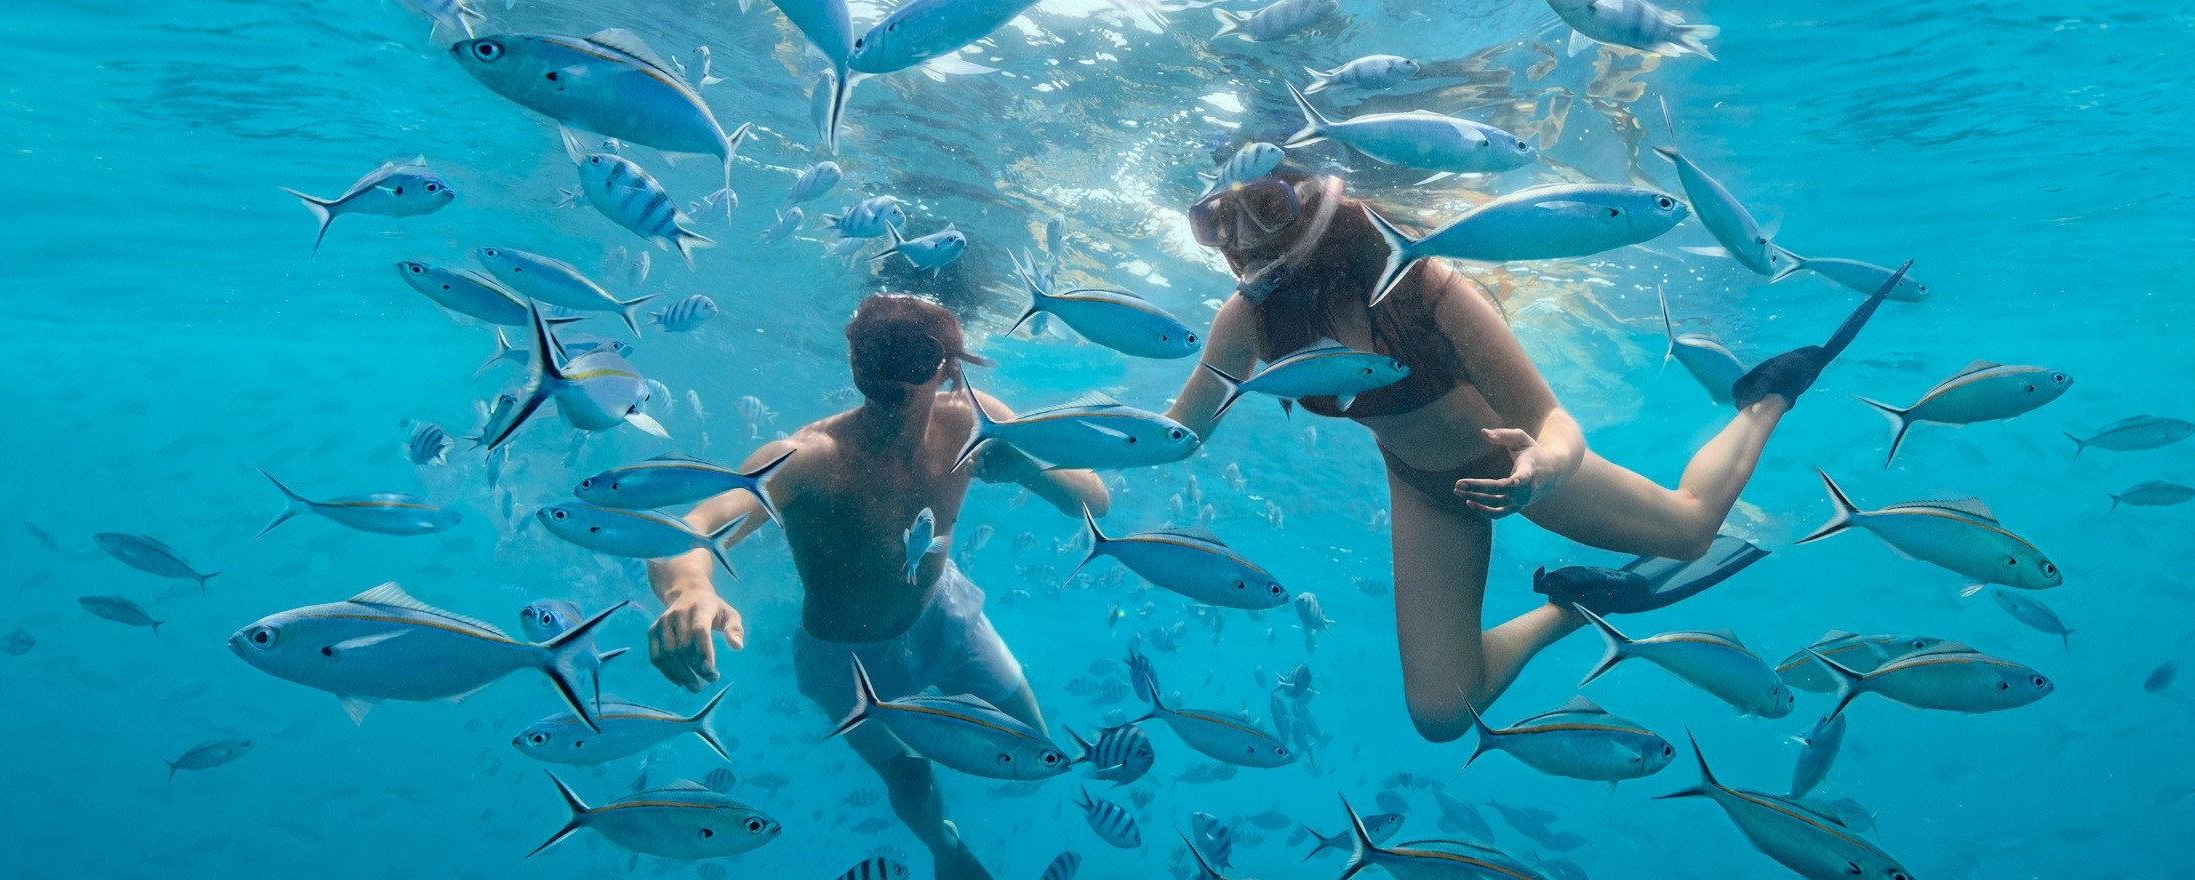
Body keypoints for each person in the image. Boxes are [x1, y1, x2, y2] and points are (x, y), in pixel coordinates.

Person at [1165, 170, 1890, 742]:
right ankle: (1583, 602)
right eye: (1217, 220)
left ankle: (1767, 395)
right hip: (1422, 491)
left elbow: (1554, 422)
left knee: (1693, 530)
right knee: (1442, 716)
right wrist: (1062, 454)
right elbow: (1180, 433)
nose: (1241, 236)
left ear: (1319, 201)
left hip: (1521, 470)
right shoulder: (1250, 320)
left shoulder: (1426, 286)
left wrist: (1543, 468)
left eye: (1263, 205)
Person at [643, 293, 1110, 880]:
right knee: (908, 775)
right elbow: (689, 530)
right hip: (845, 658)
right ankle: (947, 852)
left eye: (911, 356)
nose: (889, 372)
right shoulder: (807, 457)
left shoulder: (972, 418)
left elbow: (1093, 500)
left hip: (945, 616)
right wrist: (689, 590)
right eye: (872, 355)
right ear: (853, 363)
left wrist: (1031, 465)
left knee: (1035, 746)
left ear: (947, 366)